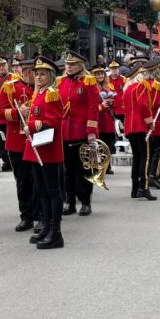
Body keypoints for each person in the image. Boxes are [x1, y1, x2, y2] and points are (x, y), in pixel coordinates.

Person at [26, 56, 66, 249]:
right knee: (42, 191)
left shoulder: (52, 94)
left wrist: (31, 124)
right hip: (37, 148)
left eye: (42, 74)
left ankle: (55, 232)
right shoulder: (39, 94)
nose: (39, 77)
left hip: (48, 149)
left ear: (50, 76)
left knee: (53, 191)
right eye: (37, 74)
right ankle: (46, 227)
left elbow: (55, 121)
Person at [57, 51, 100, 217]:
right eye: (67, 64)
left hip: (82, 132)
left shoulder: (88, 81)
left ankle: (86, 202)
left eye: (72, 64)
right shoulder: (60, 82)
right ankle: (70, 202)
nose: (69, 67)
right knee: (67, 170)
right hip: (64, 132)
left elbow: (93, 107)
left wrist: (91, 131)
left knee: (84, 169)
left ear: (80, 66)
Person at [0, 58, 37, 232]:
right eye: (26, 70)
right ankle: (26, 216)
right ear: (20, 71)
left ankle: (40, 213)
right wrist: (17, 112)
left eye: (32, 71)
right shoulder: (10, 87)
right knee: (22, 181)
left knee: (38, 180)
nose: (29, 74)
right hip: (17, 142)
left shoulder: (43, 89)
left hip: (38, 140)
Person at [122, 59, 156, 200]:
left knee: (136, 158)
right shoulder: (140, 86)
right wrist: (150, 122)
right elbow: (143, 106)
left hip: (130, 127)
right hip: (140, 126)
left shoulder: (127, 88)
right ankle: (144, 187)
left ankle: (135, 189)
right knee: (145, 158)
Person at [93, 65, 118, 174]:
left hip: (108, 119)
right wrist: (101, 105)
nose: (100, 76)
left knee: (108, 143)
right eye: (98, 74)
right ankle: (99, 166)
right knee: (99, 144)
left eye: (102, 74)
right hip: (98, 119)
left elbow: (116, 103)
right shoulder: (92, 87)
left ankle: (107, 166)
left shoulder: (110, 86)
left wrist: (112, 102)